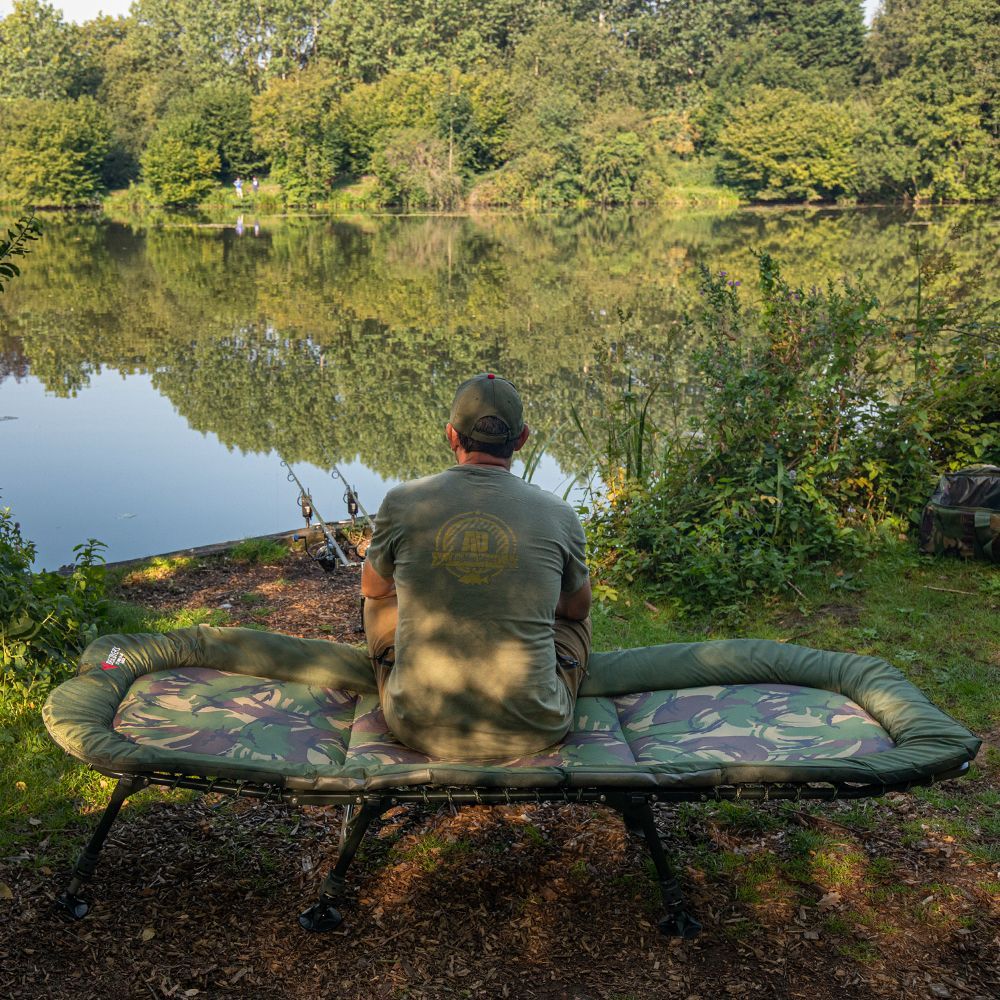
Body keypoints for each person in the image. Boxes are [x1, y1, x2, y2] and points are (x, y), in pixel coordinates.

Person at [362, 373, 592, 760]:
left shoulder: (402, 501)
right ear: (521, 439)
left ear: (451, 435)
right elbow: (576, 611)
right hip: (533, 727)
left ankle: (404, 672)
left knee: (378, 600)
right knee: (578, 612)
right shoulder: (558, 513)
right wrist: (522, 599)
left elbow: (372, 588)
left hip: (417, 723)